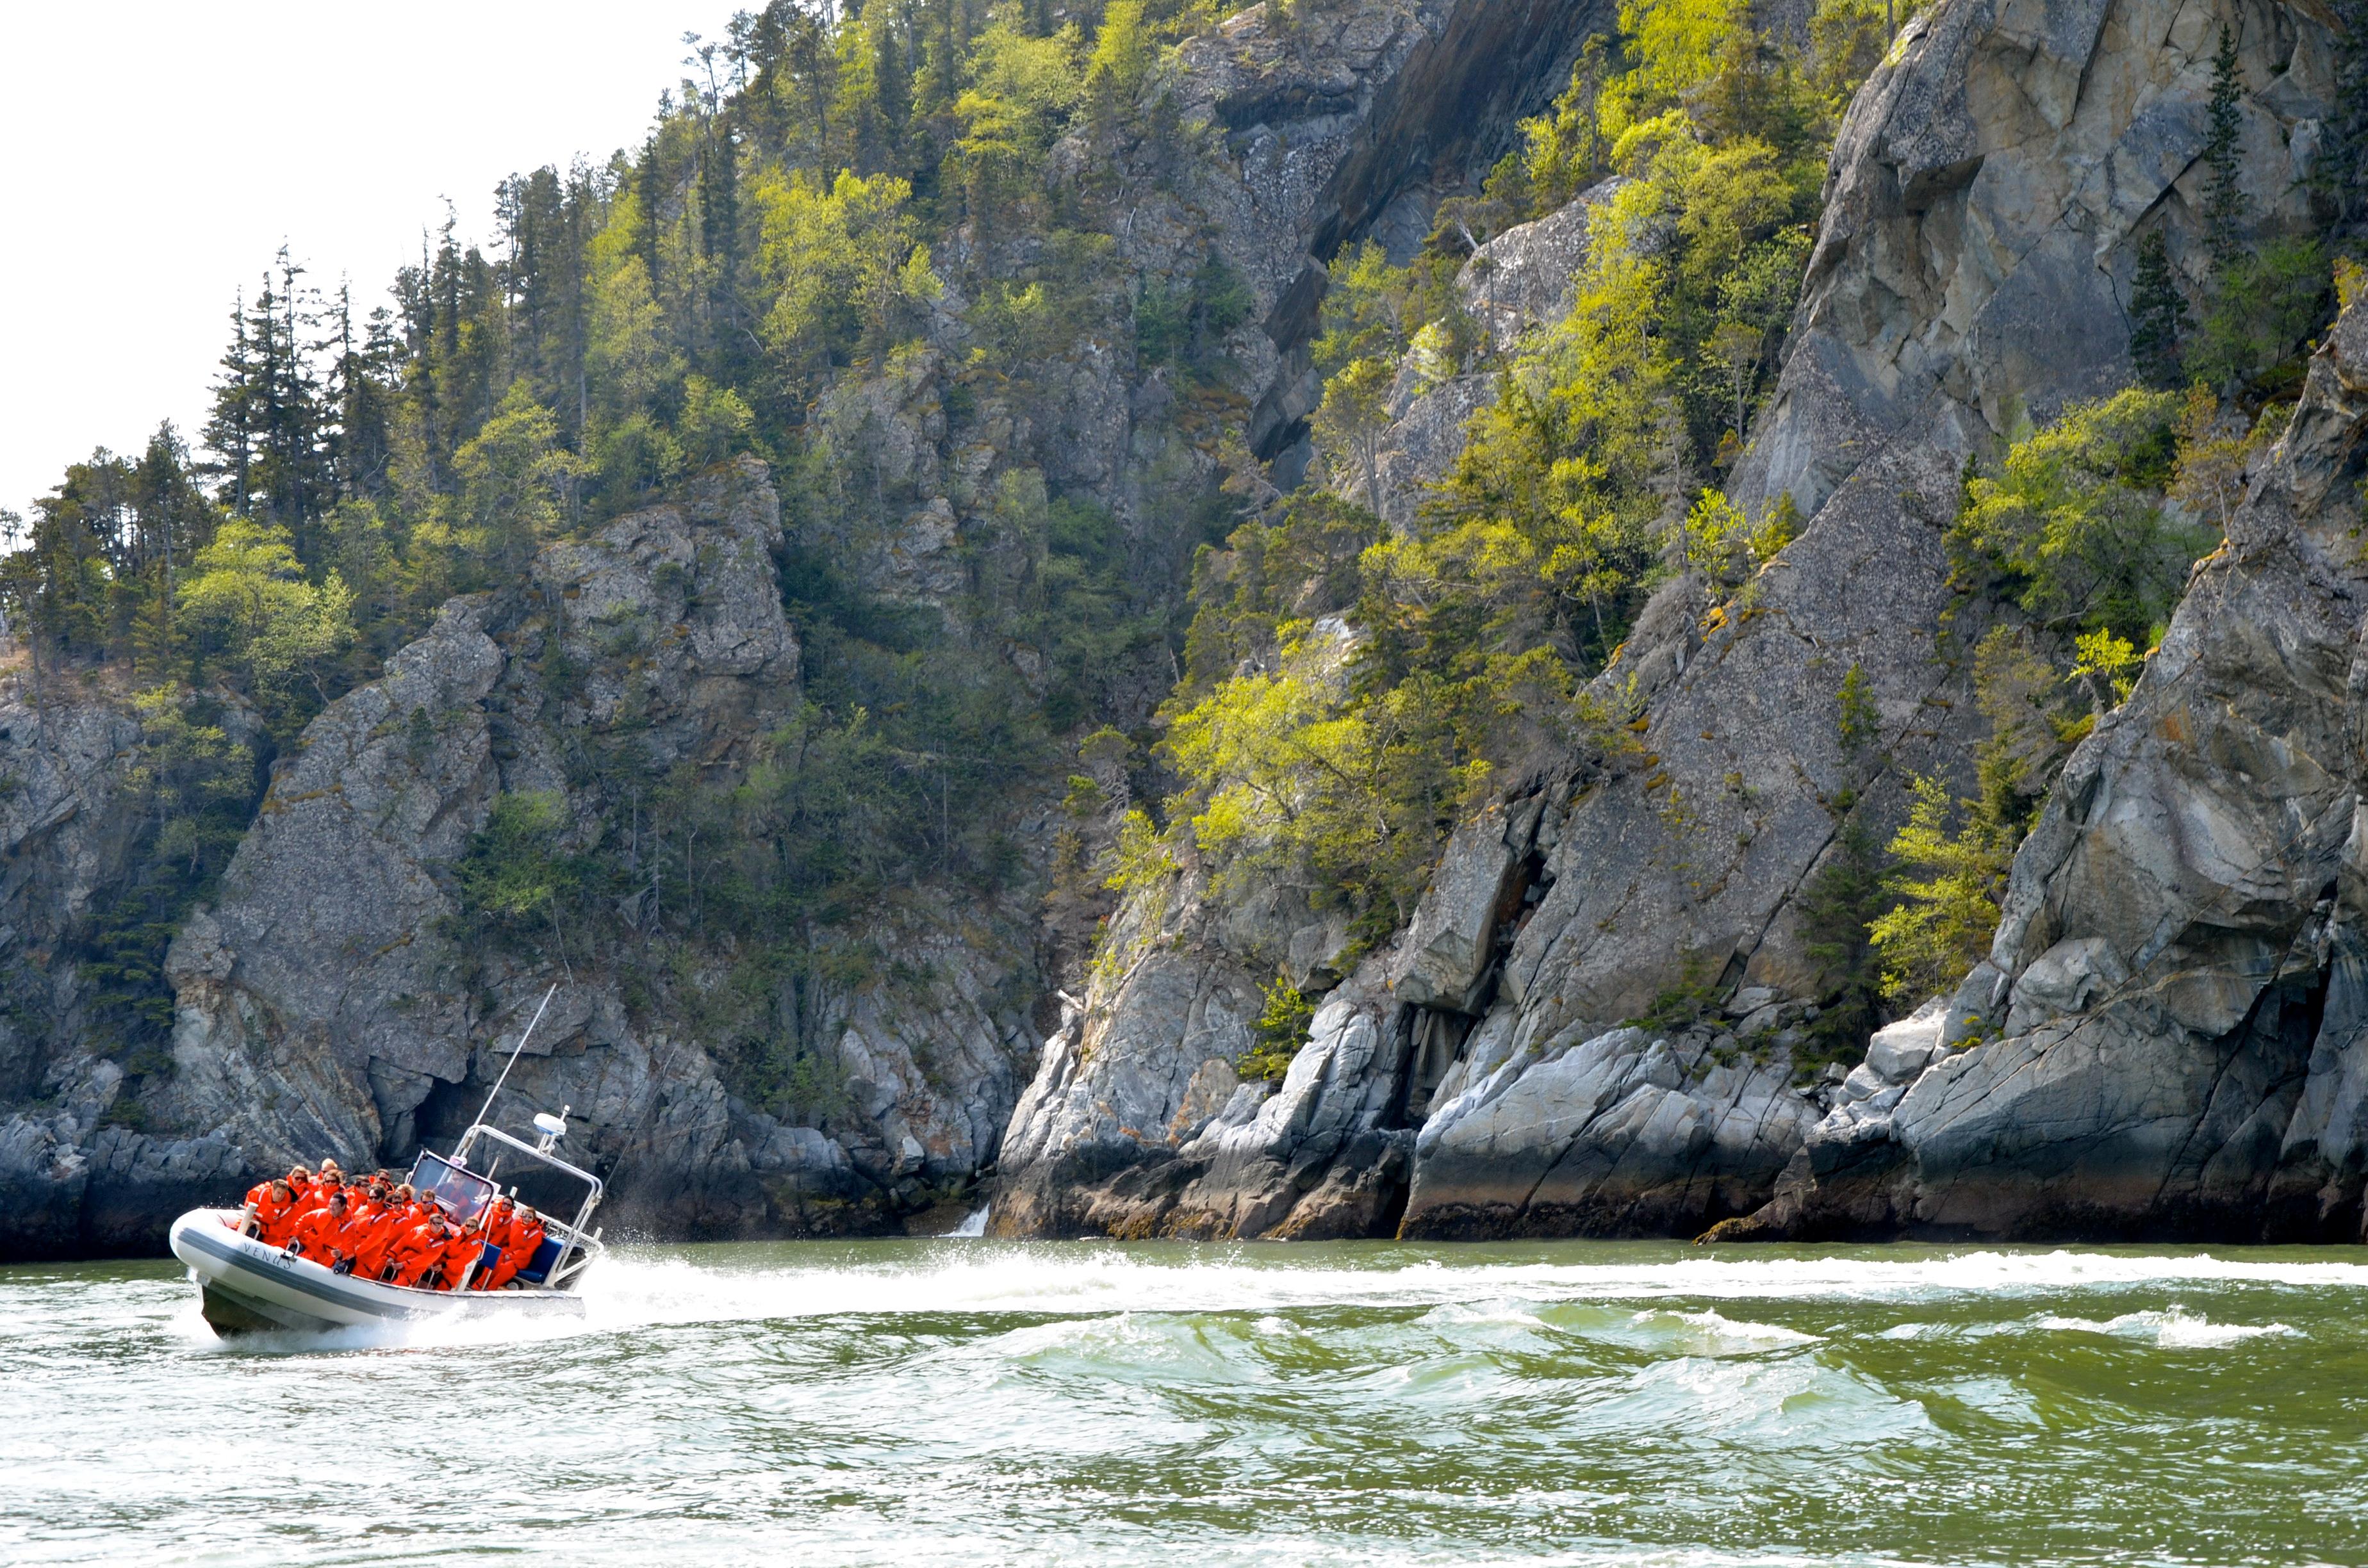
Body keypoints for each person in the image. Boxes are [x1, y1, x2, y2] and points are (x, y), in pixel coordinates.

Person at [286, 1191, 359, 1270]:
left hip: (322, 1257)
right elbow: (302, 1221)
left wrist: (341, 1254)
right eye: (331, 1204)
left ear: (343, 1206)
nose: (331, 1207)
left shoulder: (350, 1226)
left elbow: (350, 1249)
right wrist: (294, 1235)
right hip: (305, 1246)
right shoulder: (321, 1213)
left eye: (335, 1205)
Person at [389, 1211, 458, 1290]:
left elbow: (426, 1259)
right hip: (401, 1258)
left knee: (397, 1285)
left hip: (415, 1268)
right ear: (430, 1223)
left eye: (441, 1224)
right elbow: (403, 1242)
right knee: (381, 1272)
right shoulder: (419, 1230)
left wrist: (404, 1265)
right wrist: (391, 1255)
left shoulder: (441, 1242)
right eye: (437, 1223)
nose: (439, 1226)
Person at [246, 1179, 301, 1245]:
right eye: (278, 1193)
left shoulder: (290, 1208)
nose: (280, 1196)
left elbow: (283, 1227)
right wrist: (253, 1218)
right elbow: (249, 1202)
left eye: (283, 1194)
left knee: (269, 1245)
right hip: (252, 1221)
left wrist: (263, 1228)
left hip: (270, 1233)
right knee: (242, 1227)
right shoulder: (260, 1192)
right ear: (273, 1190)